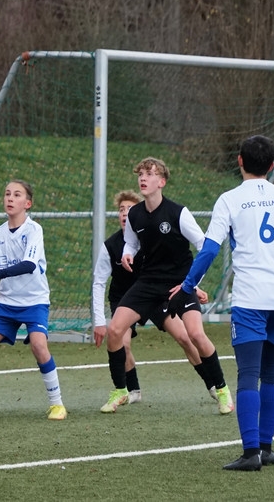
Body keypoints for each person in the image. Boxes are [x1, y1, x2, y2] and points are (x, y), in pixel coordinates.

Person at [168, 135, 274, 471]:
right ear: (271, 164)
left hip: (251, 299)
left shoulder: (230, 200)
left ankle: (251, 452)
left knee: (248, 374)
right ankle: (266, 448)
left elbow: (209, 250)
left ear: (239, 160)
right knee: (271, 370)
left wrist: (187, 287)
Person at [100, 157, 234, 415]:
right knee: (115, 330)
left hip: (179, 284)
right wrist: (127, 254)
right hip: (148, 282)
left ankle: (221, 389)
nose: (143, 178)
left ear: (161, 182)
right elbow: (131, 243)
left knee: (195, 335)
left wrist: (191, 284)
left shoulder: (178, 213)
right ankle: (120, 390)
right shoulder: (135, 214)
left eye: (149, 174)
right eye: (140, 173)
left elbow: (204, 246)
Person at [0, 180, 68, 422]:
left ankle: (57, 403)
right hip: (6, 304)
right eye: (7, 193)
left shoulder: (34, 230)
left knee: (39, 346)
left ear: (27, 203)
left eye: (17, 195)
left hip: (35, 302)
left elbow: (28, 265)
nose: (10, 198)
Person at [91, 190, 211, 406]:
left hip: (157, 295)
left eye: (130, 209)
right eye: (121, 209)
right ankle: (132, 390)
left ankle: (212, 384)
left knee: (185, 337)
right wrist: (99, 321)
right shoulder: (110, 246)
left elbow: (171, 267)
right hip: (125, 299)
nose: (125, 213)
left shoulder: (152, 237)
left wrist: (194, 287)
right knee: (122, 341)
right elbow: (98, 283)